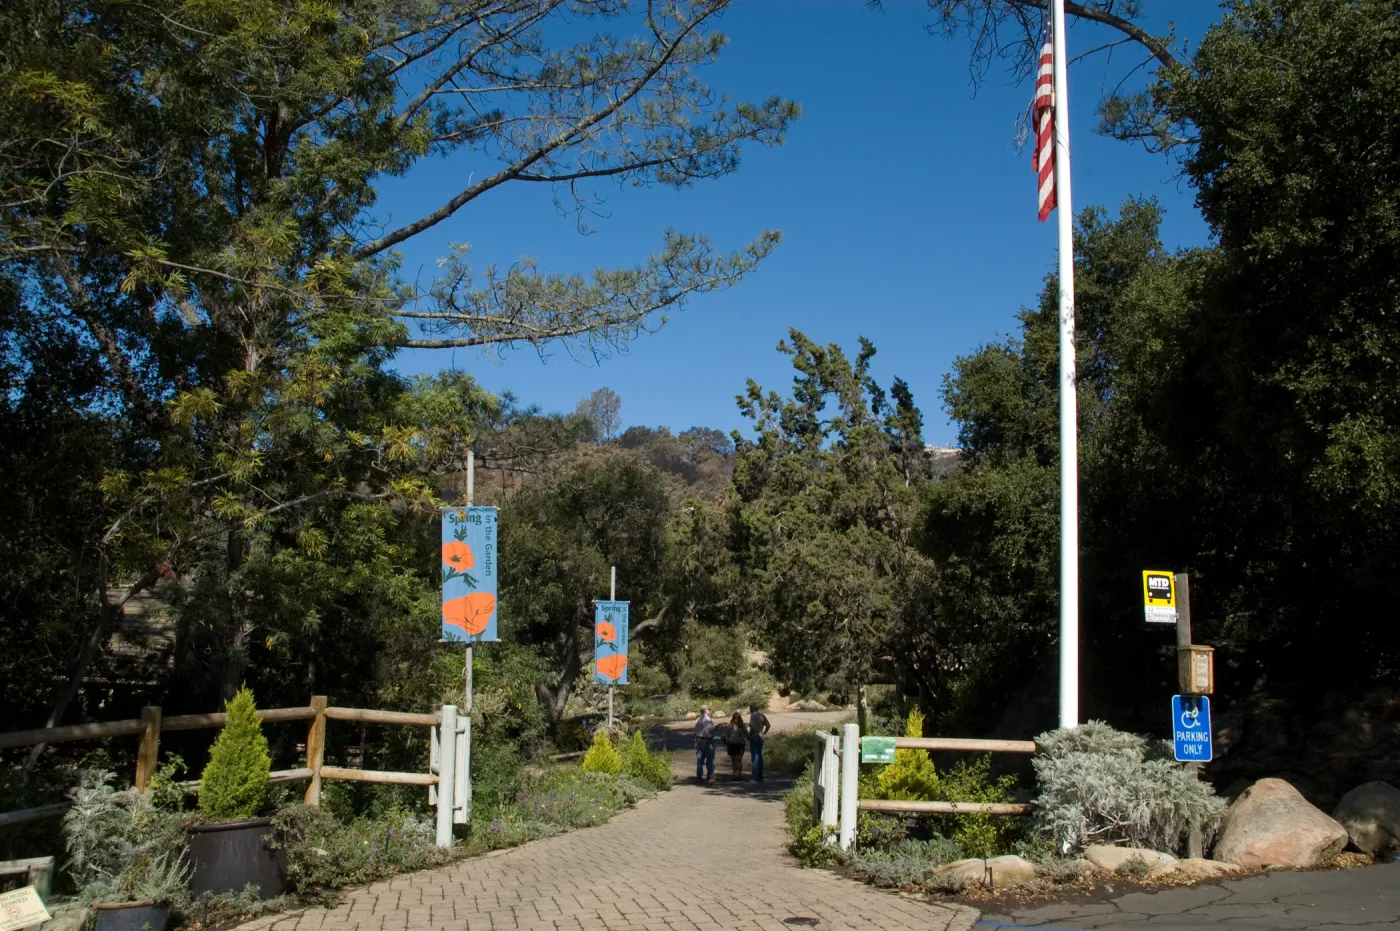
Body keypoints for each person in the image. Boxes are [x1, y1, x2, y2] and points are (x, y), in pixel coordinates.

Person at [747, 703, 771, 782]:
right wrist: (763, 733)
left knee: (755, 757)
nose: (750, 709)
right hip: (760, 737)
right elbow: (768, 725)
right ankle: (760, 776)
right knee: (760, 756)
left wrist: (749, 735)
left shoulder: (753, 716)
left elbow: (752, 726)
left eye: (750, 708)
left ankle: (755, 776)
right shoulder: (762, 716)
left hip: (754, 737)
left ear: (753, 708)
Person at [693, 705, 717, 782]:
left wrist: (696, 742)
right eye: (708, 709)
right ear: (705, 710)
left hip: (699, 740)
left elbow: (696, 732)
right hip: (707, 740)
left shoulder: (698, 719)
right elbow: (711, 729)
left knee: (700, 759)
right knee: (710, 758)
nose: (709, 710)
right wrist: (719, 726)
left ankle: (699, 776)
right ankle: (710, 776)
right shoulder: (707, 719)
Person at [724, 712, 747, 776]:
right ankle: (734, 773)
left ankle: (739, 774)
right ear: (733, 718)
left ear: (740, 718)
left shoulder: (742, 726)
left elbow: (746, 734)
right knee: (733, 760)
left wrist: (744, 740)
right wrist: (727, 742)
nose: (736, 720)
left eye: (737, 718)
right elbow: (727, 735)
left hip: (740, 744)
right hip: (731, 744)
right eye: (735, 718)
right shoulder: (730, 725)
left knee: (739, 760)